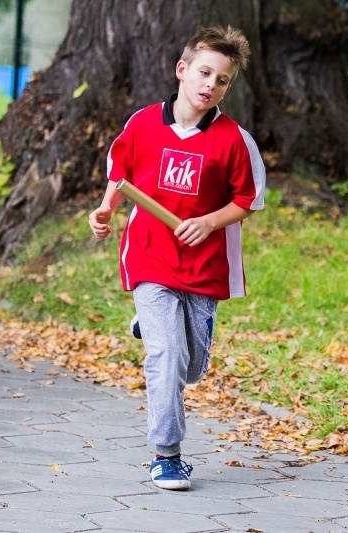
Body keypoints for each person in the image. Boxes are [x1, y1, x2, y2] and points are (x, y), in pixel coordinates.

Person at [88, 25, 265, 491]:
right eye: (204, 72)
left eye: (222, 79)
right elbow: (120, 171)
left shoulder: (234, 140)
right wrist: (106, 208)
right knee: (165, 357)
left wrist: (208, 222)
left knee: (190, 368)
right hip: (150, 256)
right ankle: (166, 455)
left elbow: (247, 200)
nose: (211, 84)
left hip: (205, 267)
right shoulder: (143, 123)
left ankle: (151, 327)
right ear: (182, 70)